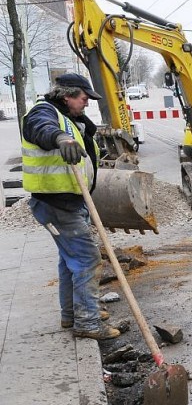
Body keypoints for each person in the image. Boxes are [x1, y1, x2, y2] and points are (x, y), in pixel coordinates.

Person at [22, 73, 120, 339]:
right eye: (84, 98)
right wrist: (62, 139)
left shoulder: (71, 119)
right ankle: (87, 323)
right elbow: (42, 129)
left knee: (70, 261)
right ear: (67, 95)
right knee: (88, 259)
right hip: (56, 204)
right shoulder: (43, 112)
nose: (86, 103)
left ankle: (72, 314)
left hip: (68, 201)